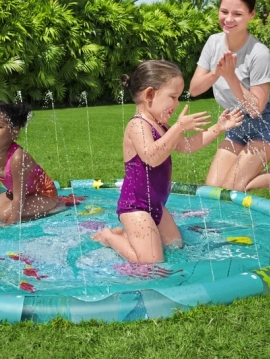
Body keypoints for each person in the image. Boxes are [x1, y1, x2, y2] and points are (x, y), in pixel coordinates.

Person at [92, 60, 244, 263]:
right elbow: (152, 157)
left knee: (175, 245)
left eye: (178, 97)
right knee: (150, 261)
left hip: (156, 204)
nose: (177, 103)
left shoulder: (161, 125)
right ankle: (109, 236)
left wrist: (219, 127)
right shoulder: (138, 125)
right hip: (135, 206)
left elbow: (187, 146)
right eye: (172, 97)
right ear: (149, 95)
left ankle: (127, 237)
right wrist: (179, 127)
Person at [189, 0, 270, 191]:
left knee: (232, 187)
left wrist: (230, 76)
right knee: (213, 188)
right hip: (235, 122)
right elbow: (194, 89)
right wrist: (217, 72)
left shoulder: (258, 53)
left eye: (237, 14)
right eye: (224, 11)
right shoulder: (213, 43)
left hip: (265, 125)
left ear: (251, 14)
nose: (228, 19)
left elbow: (256, 110)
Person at [0, 101, 59, 224]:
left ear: (14, 131)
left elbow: (19, 196)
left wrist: (10, 222)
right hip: (23, 194)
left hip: (44, 195)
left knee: (3, 214)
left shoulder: (17, 157)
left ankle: (55, 208)